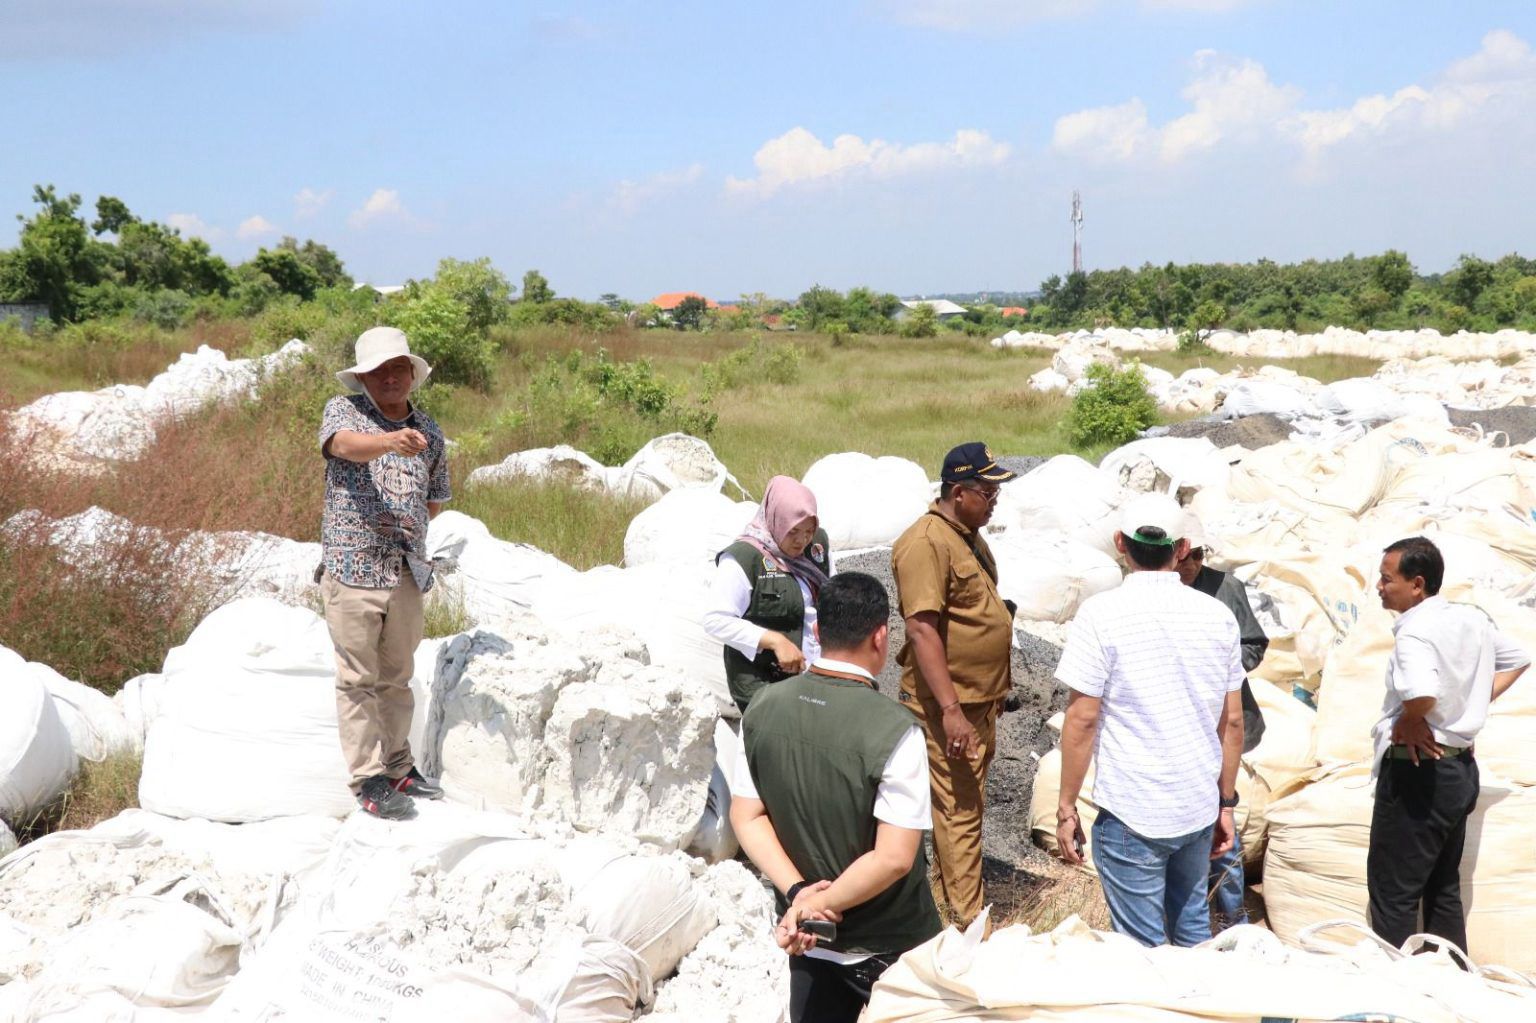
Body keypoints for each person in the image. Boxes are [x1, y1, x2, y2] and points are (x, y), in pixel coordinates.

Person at [731, 571, 942, 1023]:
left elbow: (746, 816)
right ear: (882, 636)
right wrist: (816, 905)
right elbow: (894, 859)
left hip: (810, 942)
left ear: (818, 632)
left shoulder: (762, 710)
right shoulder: (895, 729)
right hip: (891, 943)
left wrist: (799, 894)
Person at [1054, 494, 1245, 948]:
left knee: (1140, 952)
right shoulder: (1217, 616)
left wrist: (1065, 808)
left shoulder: (1100, 615)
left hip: (1133, 809)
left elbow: (1082, 720)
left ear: (1120, 544)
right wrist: (1226, 803)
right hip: (1196, 805)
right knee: (1193, 929)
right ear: (1182, 549)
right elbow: (1232, 722)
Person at [1367, 536, 1528, 951]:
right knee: (1442, 889)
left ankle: (1396, 1000)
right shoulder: (1469, 618)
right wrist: (1471, 700)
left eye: (1387, 579)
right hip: (1458, 771)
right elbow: (1519, 658)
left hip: (1418, 771)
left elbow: (1422, 692)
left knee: (1394, 895)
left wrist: (1412, 716)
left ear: (1417, 584)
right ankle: (1450, 985)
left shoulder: (1414, 633)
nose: (1378, 586)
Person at [318, 326, 451, 820]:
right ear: (363, 378)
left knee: (397, 676)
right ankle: (367, 777)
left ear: (412, 375)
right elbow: (344, 446)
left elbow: (435, 499)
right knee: (357, 678)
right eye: (379, 371)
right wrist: (390, 442)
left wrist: (404, 522)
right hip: (353, 567)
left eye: (399, 369)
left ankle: (399, 766)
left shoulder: (431, 432)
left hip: (405, 571)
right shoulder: (344, 412)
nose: (390, 377)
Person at [890, 442, 1018, 927]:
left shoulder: (965, 534)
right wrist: (950, 709)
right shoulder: (926, 543)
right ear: (959, 491)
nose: (994, 501)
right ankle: (969, 921)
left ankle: (950, 899)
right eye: (987, 492)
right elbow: (922, 629)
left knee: (962, 806)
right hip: (949, 708)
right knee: (960, 808)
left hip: (977, 702)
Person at [1174, 511, 1269, 930]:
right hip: (1178, 721)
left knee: (1220, 809)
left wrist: (1222, 671)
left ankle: (1231, 914)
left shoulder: (1225, 588)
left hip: (1221, 719)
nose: (1191, 565)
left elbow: (1254, 643)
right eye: (1185, 556)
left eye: (1198, 556)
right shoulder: (1159, 592)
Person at [705, 475, 832, 714]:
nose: (801, 540)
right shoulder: (745, 558)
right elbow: (716, 620)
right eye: (793, 531)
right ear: (776, 520)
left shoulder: (817, 547)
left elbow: (830, 595)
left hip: (813, 681)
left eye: (808, 531)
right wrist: (775, 640)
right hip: (764, 686)